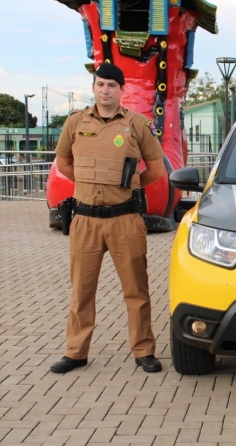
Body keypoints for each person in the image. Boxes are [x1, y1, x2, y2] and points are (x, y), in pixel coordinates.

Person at [50, 63, 165, 373]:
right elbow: (64, 163)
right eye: (100, 84)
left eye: (112, 85)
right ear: (93, 88)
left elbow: (156, 169)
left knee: (136, 290)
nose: (105, 90)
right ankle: (76, 352)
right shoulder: (75, 122)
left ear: (121, 90)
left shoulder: (137, 124)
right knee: (81, 291)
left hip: (125, 219)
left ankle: (144, 350)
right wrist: (90, 185)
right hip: (85, 219)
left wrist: (128, 184)